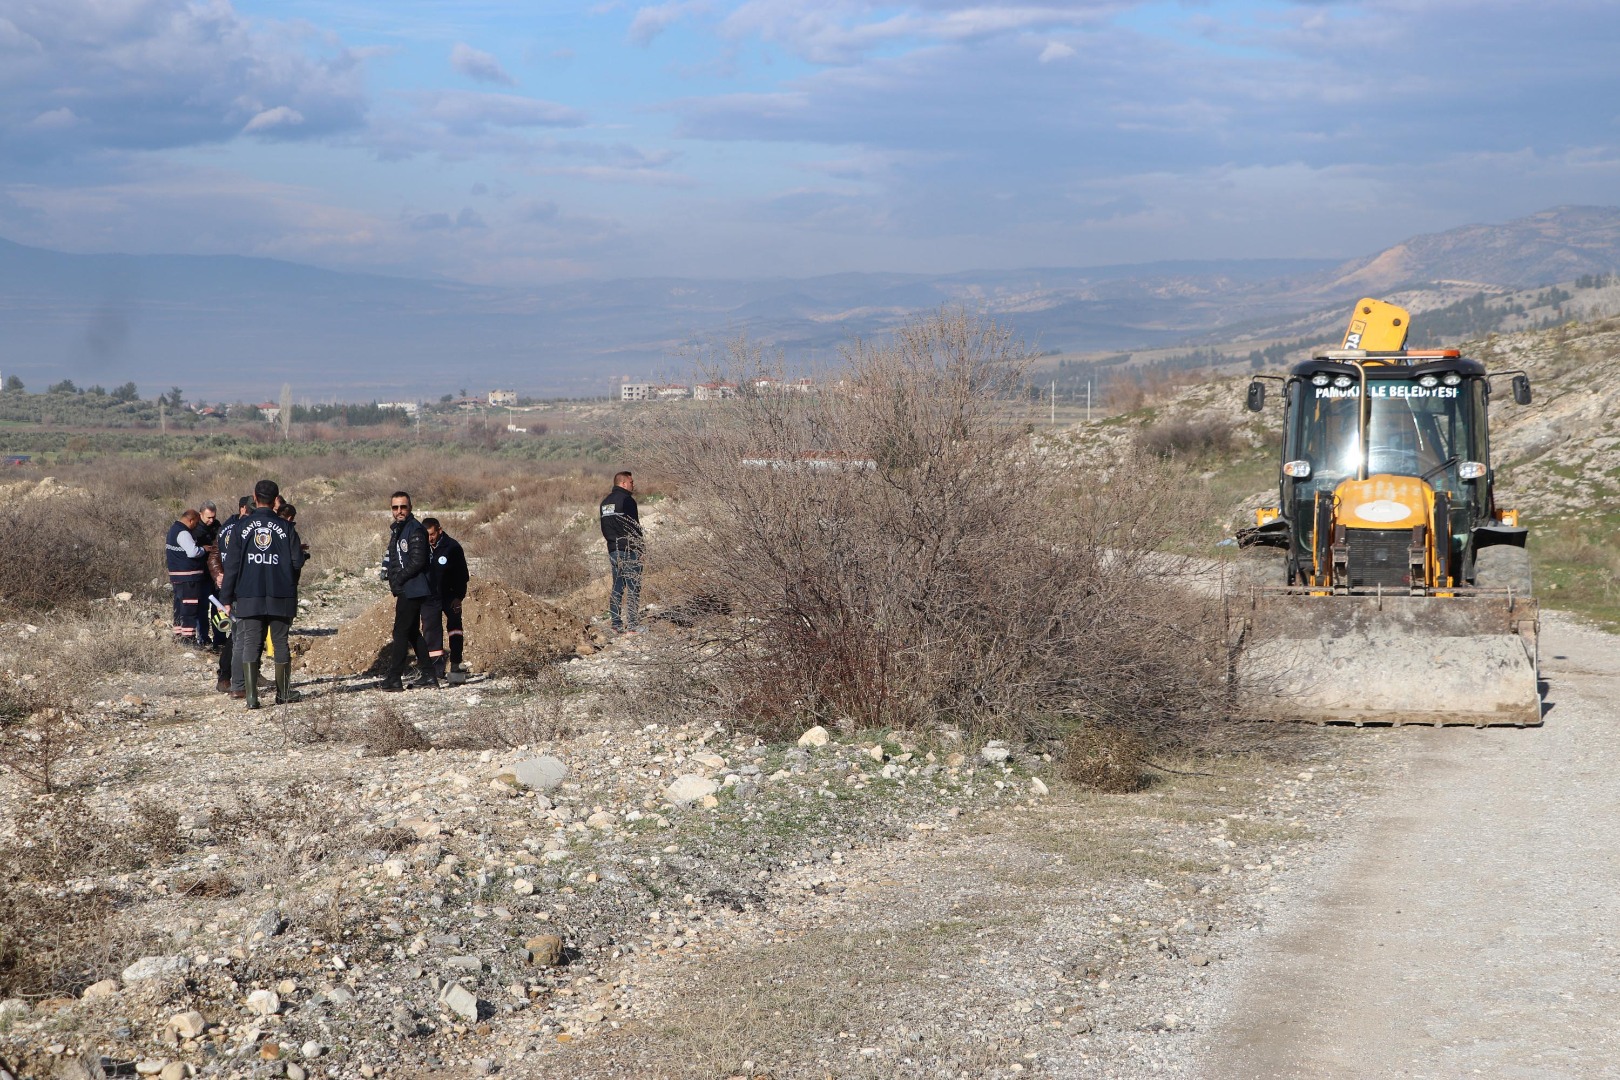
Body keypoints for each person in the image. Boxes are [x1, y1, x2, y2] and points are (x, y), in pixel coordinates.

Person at [218, 479, 306, 709]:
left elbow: (232, 567)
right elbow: (297, 561)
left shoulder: (240, 528)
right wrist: (289, 582)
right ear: (276, 500)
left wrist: (226, 598)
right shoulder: (287, 528)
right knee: (280, 643)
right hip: (281, 594)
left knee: (250, 643)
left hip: (249, 595)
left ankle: (251, 697)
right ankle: (283, 693)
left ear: (254, 498)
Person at [379, 491, 435, 690]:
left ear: (410, 508)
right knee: (411, 632)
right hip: (406, 588)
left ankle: (394, 678)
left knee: (400, 632)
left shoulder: (415, 529)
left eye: (403, 507)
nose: (399, 511)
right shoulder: (399, 529)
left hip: (412, 588)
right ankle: (429, 675)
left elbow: (418, 561)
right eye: (395, 507)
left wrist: (399, 579)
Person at [420, 517, 470, 682]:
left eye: (432, 534)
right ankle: (436, 670)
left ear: (439, 530)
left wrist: (459, 596)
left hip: (450, 596)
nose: (430, 538)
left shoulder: (452, 547)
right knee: (431, 631)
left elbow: (463, 575)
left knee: (455, 629)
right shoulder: (420, 547)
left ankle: (456, 663)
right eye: (426, 535)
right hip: (429, 597)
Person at [599, 470, 644, 634]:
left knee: (617, 586)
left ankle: (616, 625)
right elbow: (634, 526)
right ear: (623, 483)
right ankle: (633, 626)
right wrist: (640, 548)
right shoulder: (627, 500)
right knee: (633, 586)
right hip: (629, 549)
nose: (634, 485)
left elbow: (604, 527)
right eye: (631, 482)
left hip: (613, 550)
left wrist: (612, 543)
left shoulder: (605, 503)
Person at [165, 509, 208, 645]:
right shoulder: (183, 532)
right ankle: (188, 639)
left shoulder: (173, 529)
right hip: (188, 577)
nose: (196, 526)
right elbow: (192, 552)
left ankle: (178, 635)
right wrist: (204, 549)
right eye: (196, 523)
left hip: (177, 575)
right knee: (189, 607)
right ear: (191, 520)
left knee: (179, 606)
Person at [193, 502, 221, 649]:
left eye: (213, 517)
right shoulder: (195, 529)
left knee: (218, 607)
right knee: (202, 608)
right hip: (201, 573)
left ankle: (219, 637)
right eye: (208, 517)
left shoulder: (217, 526)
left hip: (215, 574)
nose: (211, 520)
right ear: (201, 514)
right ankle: (203, 637)